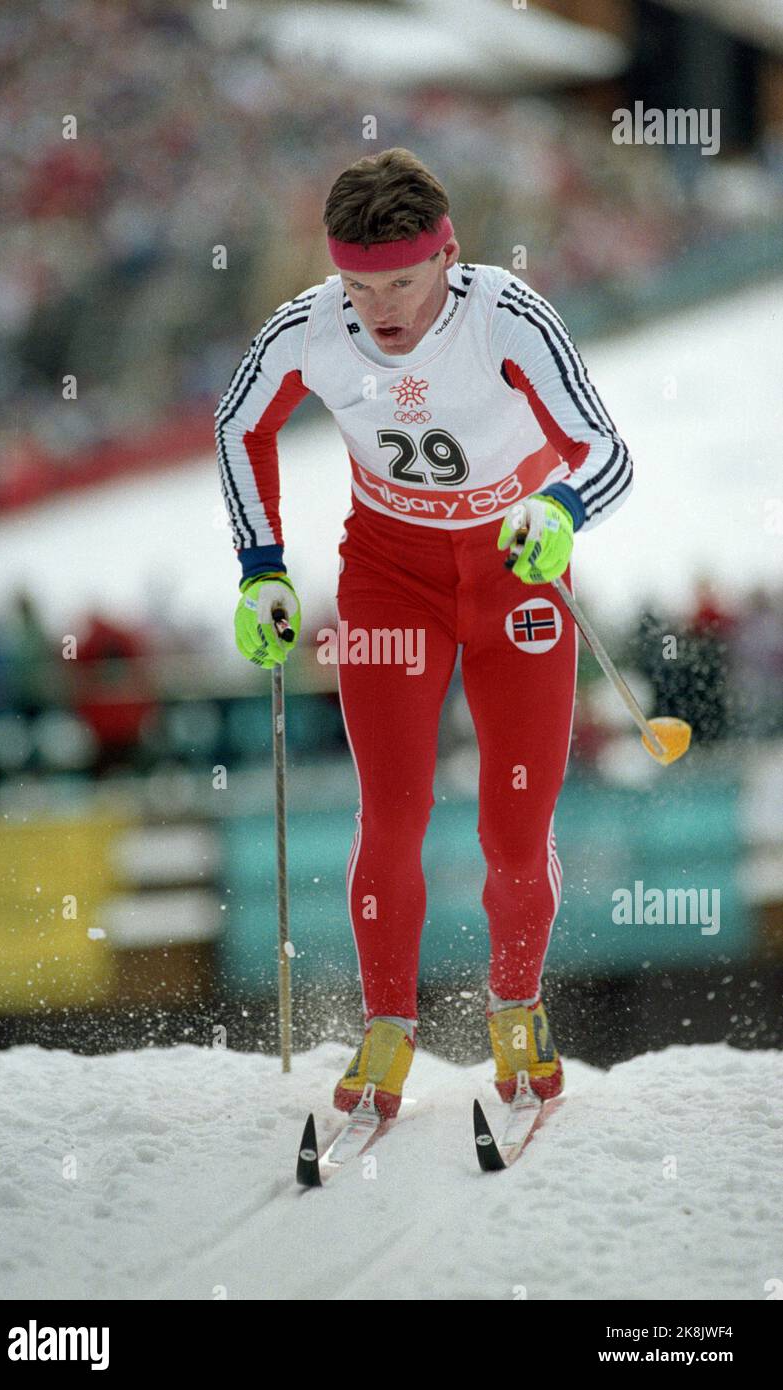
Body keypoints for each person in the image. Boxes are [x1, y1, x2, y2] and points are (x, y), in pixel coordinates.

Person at [215, 148, 633, 1118]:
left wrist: (562, 509)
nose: (381, 306)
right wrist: (261, 567)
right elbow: (241, 426)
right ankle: (388, 1022)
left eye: (402, 280)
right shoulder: (313, 327)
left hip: (514, 576)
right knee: (392, 811)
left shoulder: (505, 314)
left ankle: (517, 1006)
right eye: (359, 284)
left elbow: (606, 447)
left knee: (514, 825)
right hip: (389, 584)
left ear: (449, 254)